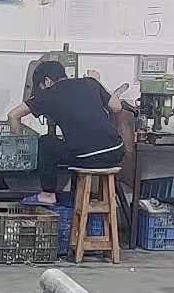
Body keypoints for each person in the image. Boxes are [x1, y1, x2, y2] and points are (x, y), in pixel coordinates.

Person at [7, 60, 126, 205]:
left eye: (40, 87)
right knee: (75, 144)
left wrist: (19, 147)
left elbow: (13, 115)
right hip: (116, 152)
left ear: (47, 81)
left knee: (46, 142)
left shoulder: (48, 94)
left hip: (87, 158)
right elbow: (117, 107)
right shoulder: (90, 83)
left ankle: (47, 195)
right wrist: (97, 81)